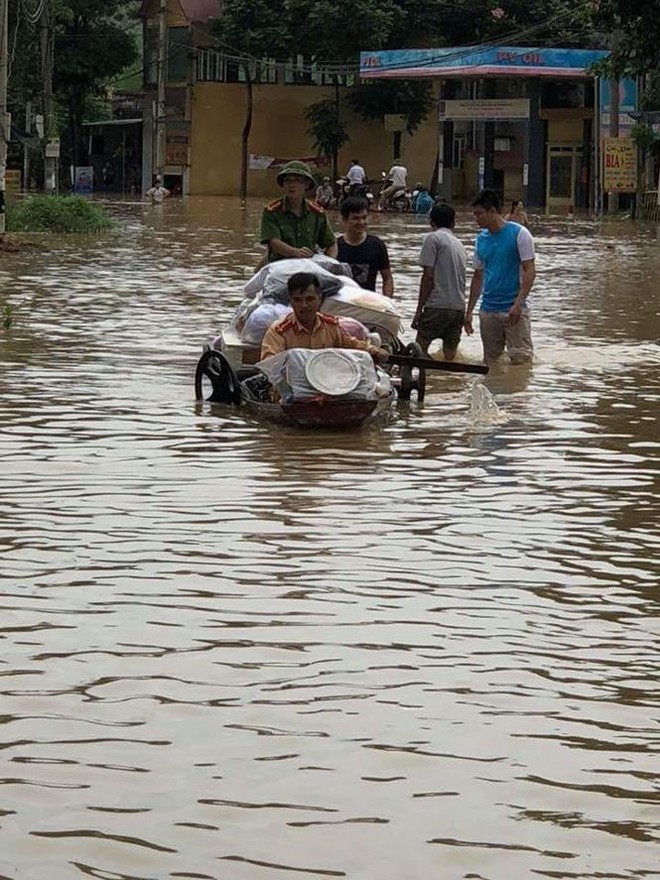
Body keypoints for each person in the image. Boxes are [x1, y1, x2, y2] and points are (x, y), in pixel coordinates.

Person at [465, 188, 536, 365]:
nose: (476, 219)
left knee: (522, 362)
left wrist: (518, 304)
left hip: (514, 310)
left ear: (493, 211)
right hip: (488, 310)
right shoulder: (481, 239)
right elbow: (478, 276)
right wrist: (469, 312)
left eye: (479, 214)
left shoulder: (520, 234)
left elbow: (530, 270)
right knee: (491, 363)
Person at [260, 272, 390, 362]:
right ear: (291, 301)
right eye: (298, 300)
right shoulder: (279, 331)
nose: (304, 305)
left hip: (328, 385)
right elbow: (270, 365)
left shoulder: (331, 326)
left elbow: (350, 344)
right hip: (291, 390)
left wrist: (373, 350)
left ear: (320, 299)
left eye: (310, 299)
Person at [412, 203, 467, 360]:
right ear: (453, 223)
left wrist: (418, 309)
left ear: (431, 222)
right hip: (458, 308)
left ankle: (427, 380)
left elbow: (428, 276)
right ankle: (446, 382)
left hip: (437, 305)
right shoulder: (459, 244)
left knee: (419, 348)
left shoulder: (432, 238)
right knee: (450, 356)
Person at [260, 161, 338, 263]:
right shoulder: (272, 211)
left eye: (297, 180)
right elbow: (273, 243)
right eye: (287, 181)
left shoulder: (317, 213)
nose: (291, 185)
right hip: (279, 267)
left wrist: (329, 264)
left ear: (307, 184)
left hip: (308, 266)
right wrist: (295, 252)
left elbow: (331, 243)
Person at [336, 195, 394, 298]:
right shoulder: (335, 246)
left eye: (364, 218)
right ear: (344, 219)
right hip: (341, 304)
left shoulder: (377, 245)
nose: (361, 222)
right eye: (356, 218)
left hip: (368, 303)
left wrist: (387, 302)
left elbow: (387, 278)